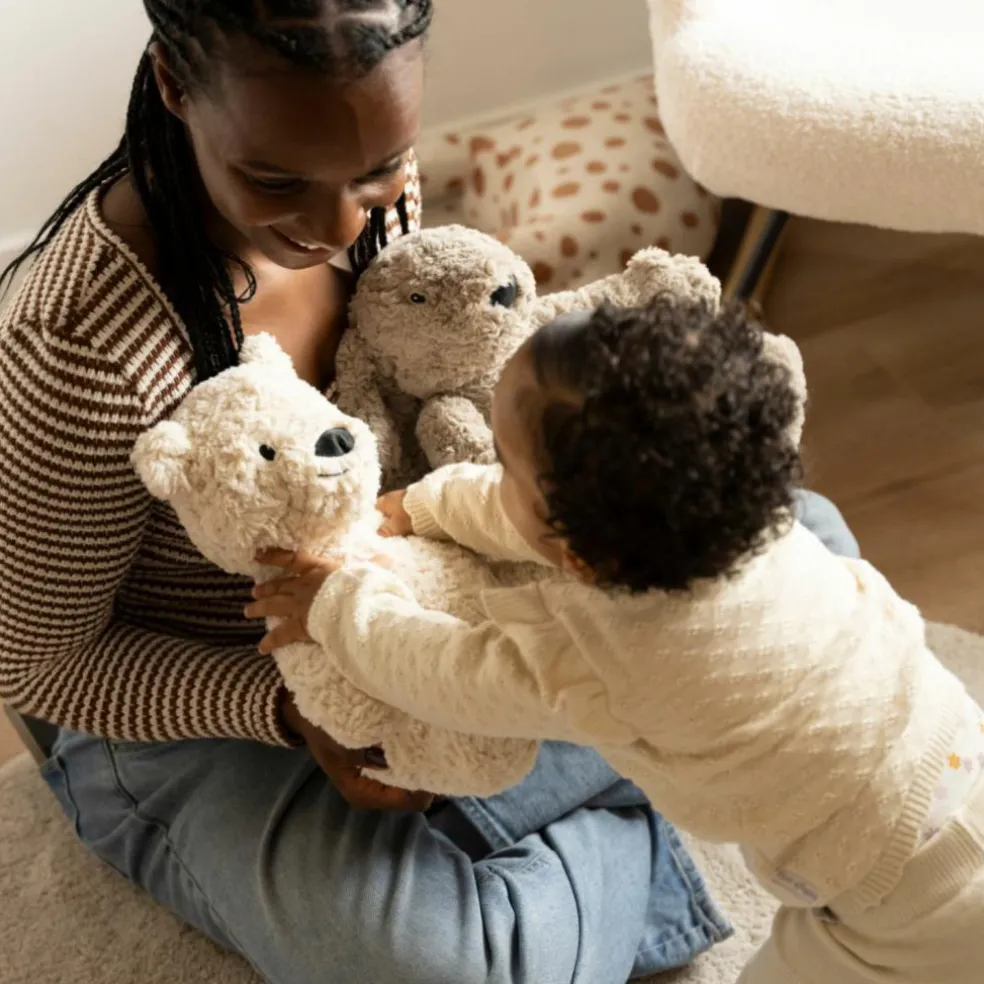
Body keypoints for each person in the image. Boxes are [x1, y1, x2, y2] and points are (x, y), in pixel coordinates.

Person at [0, 3, 855, 981]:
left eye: (379, 168)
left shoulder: (379, 215)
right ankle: (650, 791)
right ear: (174, 87)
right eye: (274, 179)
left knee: (804, 547)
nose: (334, 227)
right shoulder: (72, 350)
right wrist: (297, 716)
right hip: (205, 701)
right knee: (435, 967)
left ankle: (568, 800)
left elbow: (455, 403)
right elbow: (39, 668)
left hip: (405, 588)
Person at [249, 299, 983, 984]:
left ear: (579, 555)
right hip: (959, 754)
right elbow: (527, 519)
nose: (489, 475)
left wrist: (337, 602)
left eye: (504, 464)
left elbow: (443, 669)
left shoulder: (605, 662)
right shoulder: (757, 523)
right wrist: (419, 505)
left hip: (901, 898)